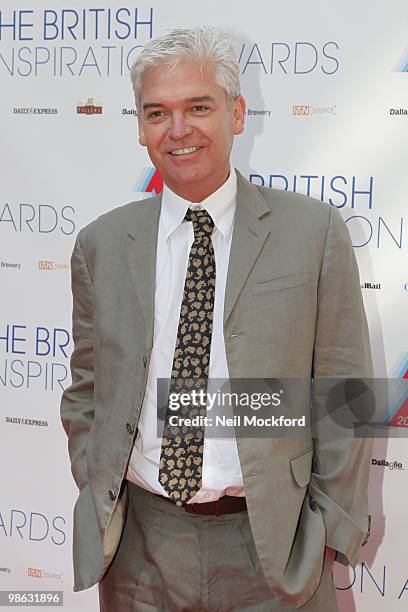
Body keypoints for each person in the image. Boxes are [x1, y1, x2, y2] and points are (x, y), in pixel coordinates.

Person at [60, 27, 373, 611]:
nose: (178, 130)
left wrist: (325, 530)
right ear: (139, 127)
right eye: (158, 112)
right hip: (140, 550)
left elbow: (345, 394)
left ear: (236, 112)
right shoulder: (100, 245)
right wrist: (96, 477)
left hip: (274, 549)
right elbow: (86, 389)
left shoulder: (314, 234)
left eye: (197, 107)